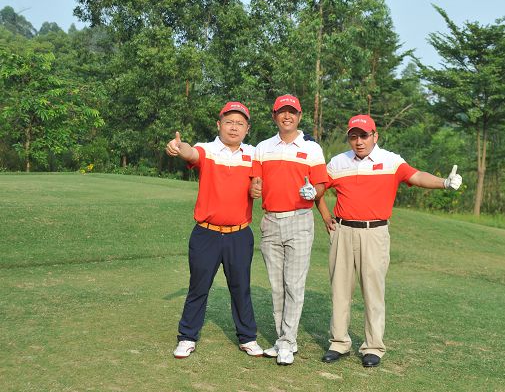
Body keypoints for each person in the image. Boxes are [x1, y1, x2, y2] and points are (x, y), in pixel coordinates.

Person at [316, 114, 462, 368]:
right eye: (354, 137)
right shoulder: (338, 162)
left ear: (375, 136)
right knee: (340, 290)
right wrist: (326, 216)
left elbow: (416, 176)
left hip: (375, 233)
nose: (359, 141)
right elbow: (318, 189)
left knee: (373, 291)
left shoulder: (391, 161)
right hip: (343, 231)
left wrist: (444, 183)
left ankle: (373, 347)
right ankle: (339, 342)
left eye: (364, 136)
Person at [166, 101, 264, 359]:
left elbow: (261, 179)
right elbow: (190, 153)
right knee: (198, 287)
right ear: (219, 124)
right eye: (229, 122)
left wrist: (257, 186)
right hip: (206, 233)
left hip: (239, 234)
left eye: (240, 123)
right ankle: (187, 336)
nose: (234, 127)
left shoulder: (254, 154)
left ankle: (247, 337)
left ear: (247, 129)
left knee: (240, 287)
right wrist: (178, 146)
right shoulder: (208, 149)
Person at [250, 94, 328, 366]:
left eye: (292, 112)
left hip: (300, 219)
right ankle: (285, 340)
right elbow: (255, 182)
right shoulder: (262, 148)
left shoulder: (312, 149)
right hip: (270, 221)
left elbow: (321, 184)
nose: (287, 116)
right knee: (277, 286)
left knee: (293, 284)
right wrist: (254, 188)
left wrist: (313, 191)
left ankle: (286, 342)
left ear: (299, 116)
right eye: (282, 112)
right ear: (274, 116)